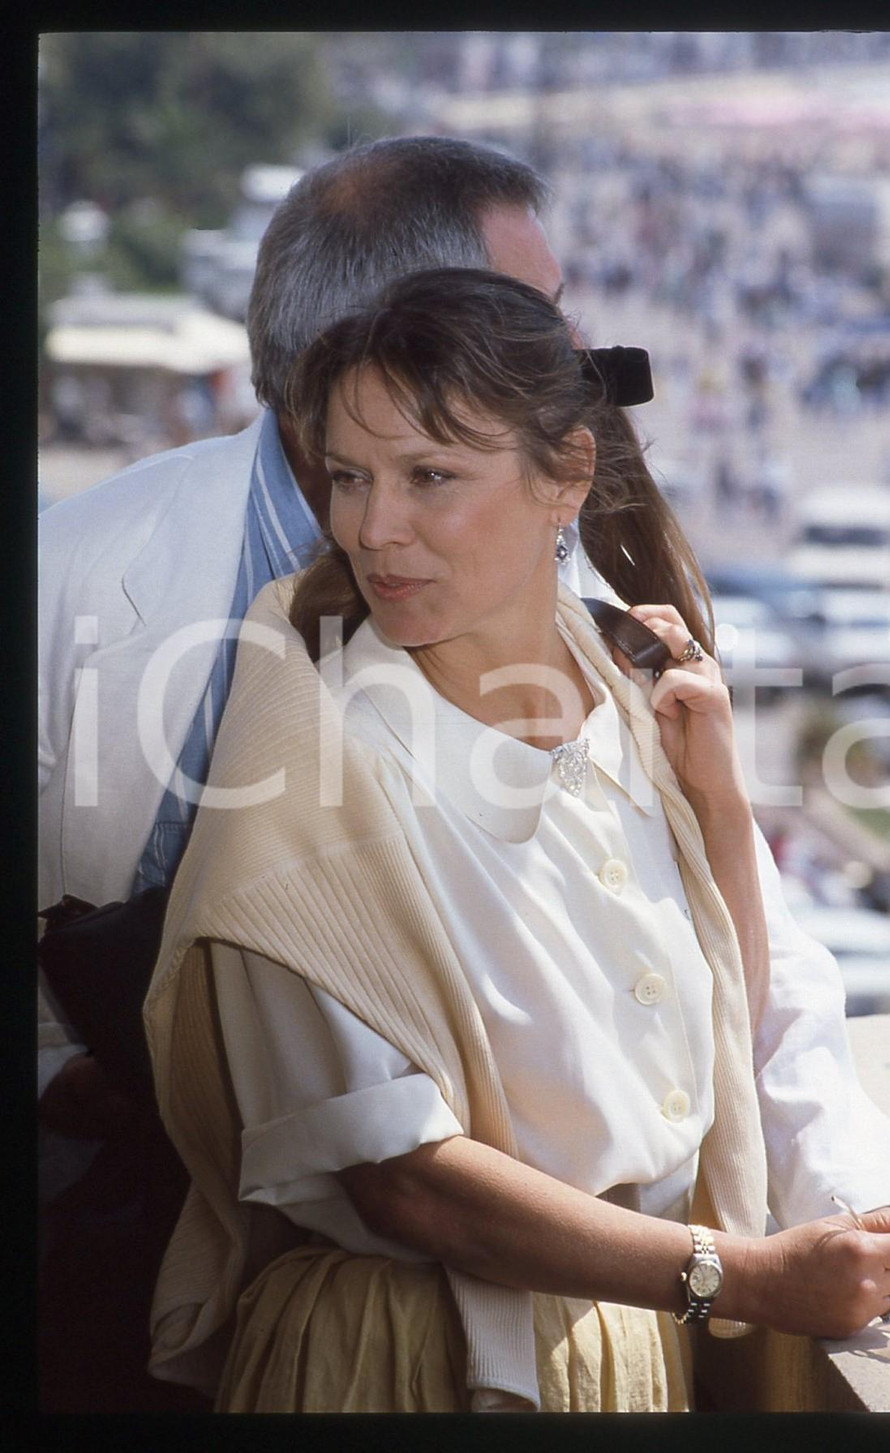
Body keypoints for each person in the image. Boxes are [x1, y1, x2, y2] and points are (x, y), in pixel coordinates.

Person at [144, 269, 890, 1414]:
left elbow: (717, 1048)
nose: (374, 527)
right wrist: (748, 1276)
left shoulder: (627, 697)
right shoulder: (308, 769)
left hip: (623, 1357)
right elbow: (406, 1185)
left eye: (429, 476)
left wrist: (720, 813)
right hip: (398, 1366)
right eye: (348, 476)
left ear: (566, 474)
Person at [37, 133, 602, 1414]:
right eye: (538, 318)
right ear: (395, 339)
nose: (573, 360)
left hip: (523, 1309)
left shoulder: (572, 565)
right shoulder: (63, 584)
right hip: (110, 1295)